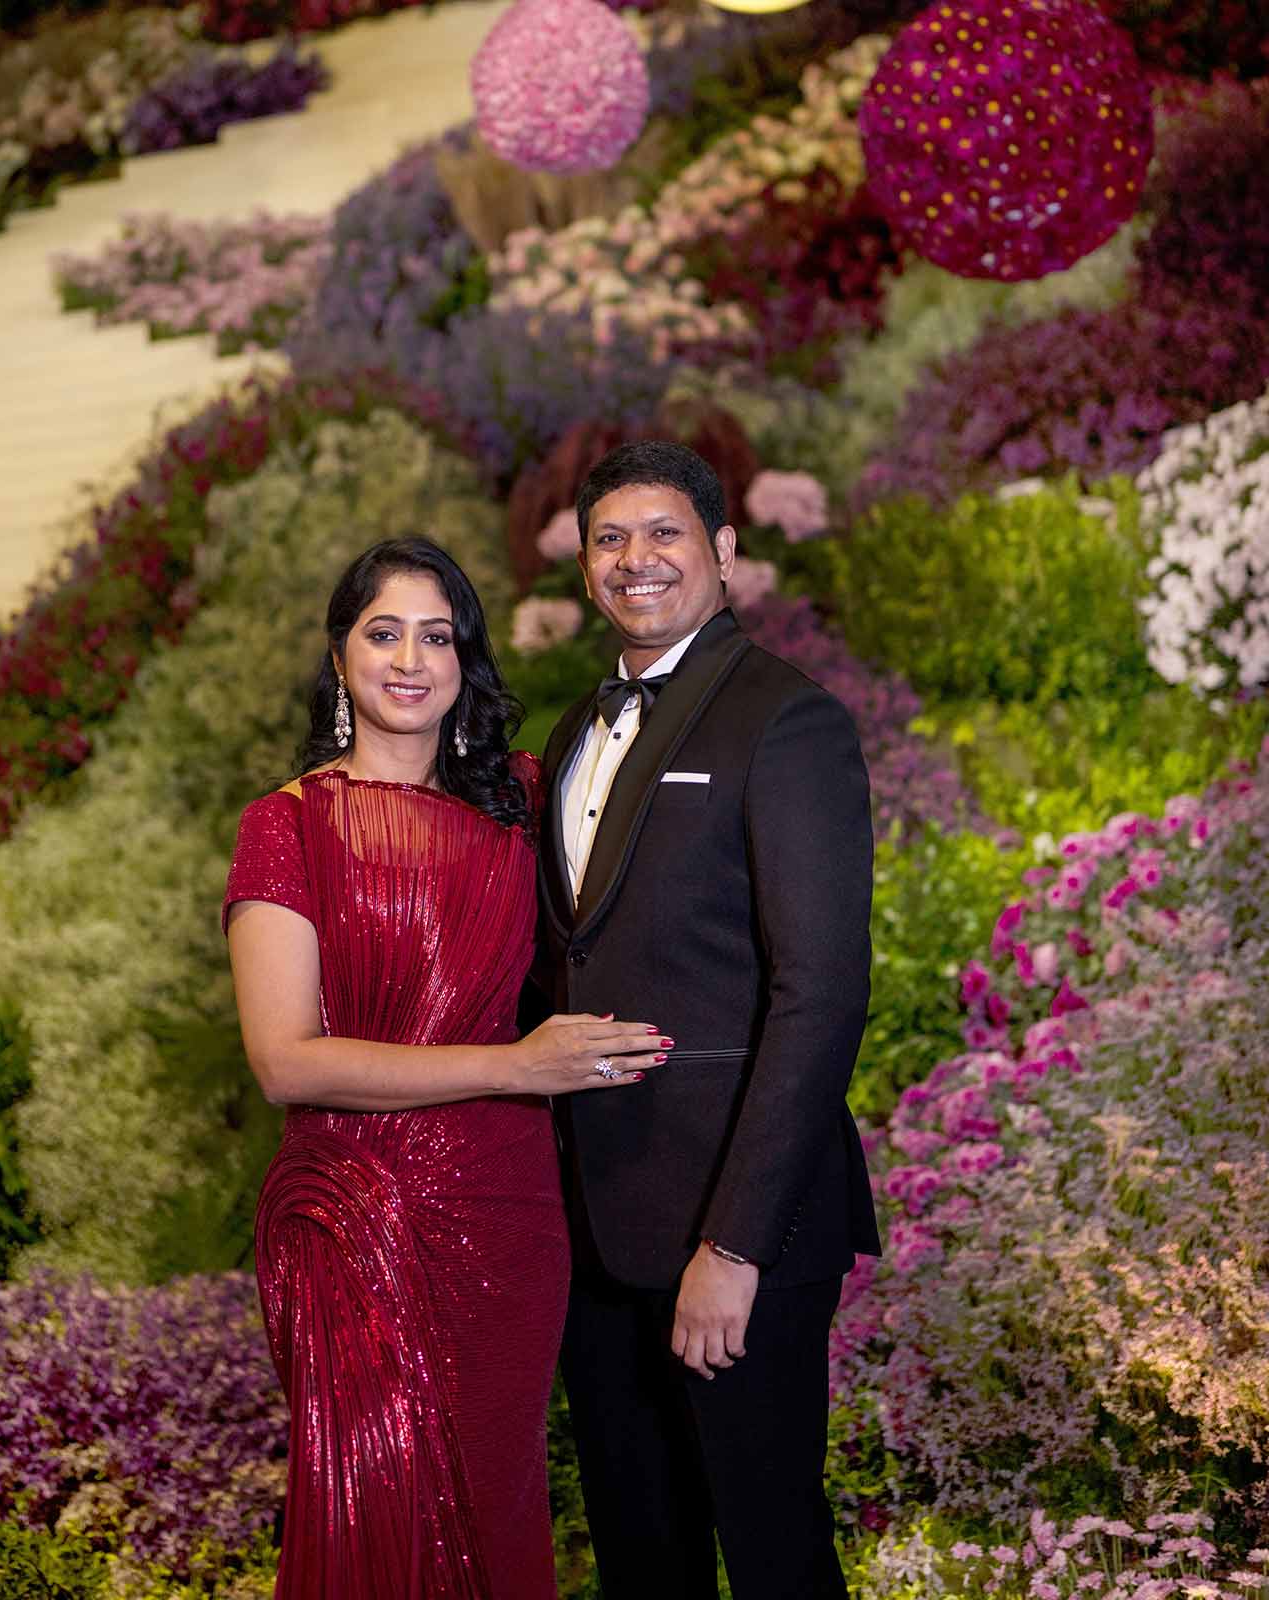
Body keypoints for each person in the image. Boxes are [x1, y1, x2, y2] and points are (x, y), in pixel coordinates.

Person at [222, 536, 669, 1600]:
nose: (410, 660)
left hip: (508, 1216)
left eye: (438, 636)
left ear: (466, 659)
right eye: (384, 634)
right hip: (351, 1216)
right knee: (373, 1508)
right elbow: (284, 1062)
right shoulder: (286, 826)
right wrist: (518, 1066)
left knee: (495, 1507)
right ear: (340, 655)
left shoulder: (517, 803)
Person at [536, 443, 880, 1599]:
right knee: (642, 1558)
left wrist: (732, 1249)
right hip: (595, 1231)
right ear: (585, 567)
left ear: (723, 552)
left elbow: (819, 994)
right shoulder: (570, 734)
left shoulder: (786, 720)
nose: (635, 558)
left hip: (736, 1233)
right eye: (609, 538)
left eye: (664, 532)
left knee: (773, 1551)